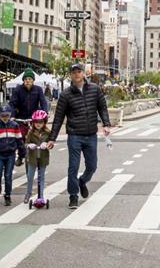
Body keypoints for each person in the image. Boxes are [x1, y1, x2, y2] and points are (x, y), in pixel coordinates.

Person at [49, 64, 112, 209]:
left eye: (79, 72)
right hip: (74, 135)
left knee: (92, 166)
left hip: (91, 135)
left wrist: (106, 124)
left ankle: (82, 181)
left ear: (84, 73)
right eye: (74, 72)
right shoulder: (65, 95)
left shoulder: (95, 89)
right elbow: (58, 118)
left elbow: (102, 107)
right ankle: (73, 196)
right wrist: (52, 138)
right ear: (70, 75)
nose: (77, 74)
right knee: (73, 167)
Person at [0, 104, 26, 206]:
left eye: (7, 115)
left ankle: (7, 195)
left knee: (8, 175)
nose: (5, 118)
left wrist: (22, 153)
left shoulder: (15, 125)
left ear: (10, 115)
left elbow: (19, 140)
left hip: (11, 154)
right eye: (3, 115)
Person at [24, 109, 52, 205]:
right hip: (32, 158)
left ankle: (41, 196)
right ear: (33, 123)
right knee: (30, 176)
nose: (38, 124)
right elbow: (26, 143)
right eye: (36, 122)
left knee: (41, 177)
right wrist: (29, 145)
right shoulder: (31, 132)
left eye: (40, 122)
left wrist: (47, 144)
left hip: (43, 158)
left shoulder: (48, 133)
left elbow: (51, 144)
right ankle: (28, 193)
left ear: (44, 122)